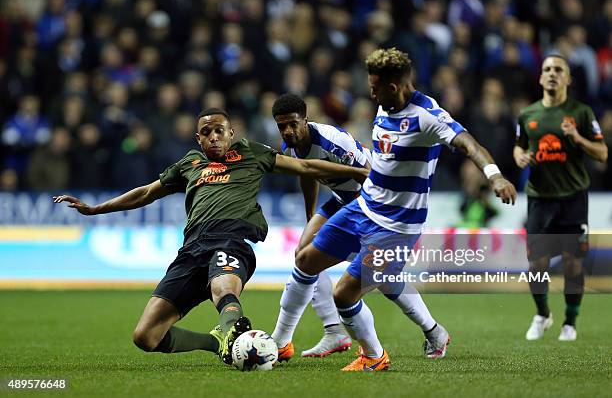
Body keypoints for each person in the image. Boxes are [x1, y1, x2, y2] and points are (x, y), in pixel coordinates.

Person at [53, 108, 368, 366]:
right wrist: (95, 209)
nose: (214, 136)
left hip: (232, 241)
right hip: (191, 250)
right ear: (198, 138)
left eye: (220, 130)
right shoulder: (189, 164)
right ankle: (218, 341)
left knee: (222, 287)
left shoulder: (252, 153)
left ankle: (236, 332)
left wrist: (356, 173)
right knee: (146, 336)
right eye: (207, 132)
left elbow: (305, 165)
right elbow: (146, 193)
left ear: (232, 133)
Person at [272, 48, 517, 371]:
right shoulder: (384, 106)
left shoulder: (427, 116)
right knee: (305, 259)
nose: (371, 93)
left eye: (376, 87)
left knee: (346, 293)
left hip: (397, 225)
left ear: (396, 84)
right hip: (363, 208)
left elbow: (468, 143)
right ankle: (282, 342)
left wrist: (494, 175)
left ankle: (374, 356)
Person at [514, 55, 607, 342]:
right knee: (537, 265)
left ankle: (570, 321)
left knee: (572, 263)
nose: (552, 74)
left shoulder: (581, 113)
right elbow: (518, 148)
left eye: (558, 70)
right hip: (540, 199)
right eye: (547, 70)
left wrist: (577, 138)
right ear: (540, 78)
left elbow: (602, 153)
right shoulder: (528, 115)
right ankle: (542, 313)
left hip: (573, 198)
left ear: (568, 78)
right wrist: (521, 158)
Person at [271, 93, 372, 358]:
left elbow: (369, 174)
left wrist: (374, 216)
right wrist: (310, 216)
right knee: (303, 254)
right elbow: (307, 176)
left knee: (380, 269)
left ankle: (431, 329)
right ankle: (333, 331)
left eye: (293, 124)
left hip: (366, 201)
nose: (288, 131)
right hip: (341, 199)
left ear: (305, 120)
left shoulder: (334, 141)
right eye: (282, 126)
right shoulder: (288, 148)